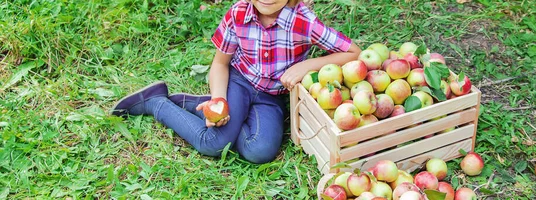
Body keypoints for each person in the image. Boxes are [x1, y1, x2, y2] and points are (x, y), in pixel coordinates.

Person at [110, 0, 361, 164]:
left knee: (259, 151)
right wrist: (219, 99)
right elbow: (220, 64)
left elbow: (354, 52)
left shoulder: (302, 21)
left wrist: (305, 66)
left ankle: (198, 103)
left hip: (271, 96)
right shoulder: (238, 14)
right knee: (213, 143)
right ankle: (157, 103)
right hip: (238, 82)